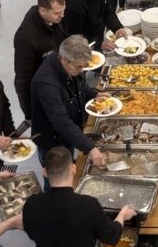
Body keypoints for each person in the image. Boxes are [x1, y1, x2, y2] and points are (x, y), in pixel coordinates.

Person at [29, 36, 109, 166]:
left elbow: (80, 86)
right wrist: (90, 148)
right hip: (53, 141)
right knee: (58, 175)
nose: (81, 70)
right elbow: (61, 122)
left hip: (68, 133)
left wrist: (94, 95)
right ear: (64, 59)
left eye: (84, 66)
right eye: (79, 67)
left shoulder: (70, 65)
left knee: (70, 164)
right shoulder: (46, 83)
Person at [13, 0, 67, 116]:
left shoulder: (53, 19)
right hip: (42, 89)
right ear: (42, 10)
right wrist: (29, 113)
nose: (62, 16)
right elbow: (23, 79)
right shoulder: (26, 38)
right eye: (57, 13)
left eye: (63, 11)